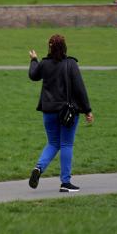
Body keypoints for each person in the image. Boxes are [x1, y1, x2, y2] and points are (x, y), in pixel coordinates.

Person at [27, 34, 93, 192]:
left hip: (48, 110)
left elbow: (33, 75)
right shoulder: (71, 64)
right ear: (64, 47)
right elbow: (79, 88)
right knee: (66, 144)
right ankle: (65, 182)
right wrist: (87, 110)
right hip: (67, 112)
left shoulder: (44, 63)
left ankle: (38, 168)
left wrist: (34, 59)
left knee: (53, 143)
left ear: (49, 47)